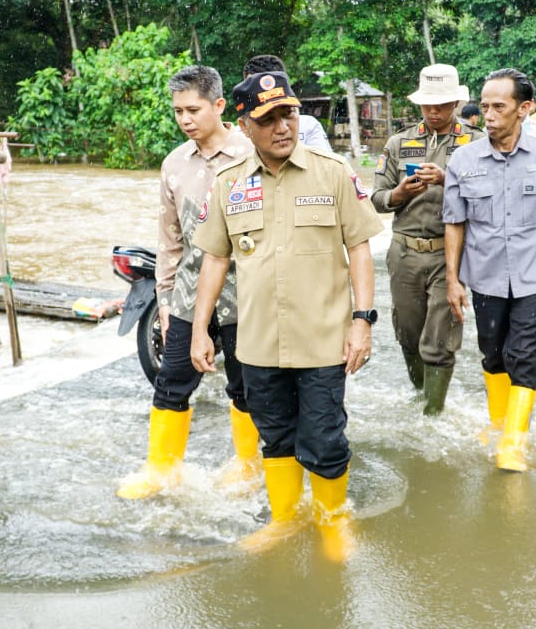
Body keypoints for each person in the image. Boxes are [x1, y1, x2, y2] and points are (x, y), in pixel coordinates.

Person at [190, 70, 382, 561]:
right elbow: (215, 259)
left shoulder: (332, 172)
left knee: (322, 435)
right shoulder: (229, 184)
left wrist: (362, 321)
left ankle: (333, 521)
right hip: (257, 341)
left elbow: (359, 247)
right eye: (268, 117)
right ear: (245, 125)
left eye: (289, 114)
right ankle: (283, 520)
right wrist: (200, 330)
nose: (282, 126)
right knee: (273, 436)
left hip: (323, 338)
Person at [116, 65, 259, 499]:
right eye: (178, 111)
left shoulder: (252, 154)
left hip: (244, 297)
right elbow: (170, 243)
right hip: (187, 296)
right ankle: (161, 469)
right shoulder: (174, 164)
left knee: (245, 384)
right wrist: (163, 300)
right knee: (172, 378)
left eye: (193, 109)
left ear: (218, 106)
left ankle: (248, 465)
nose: (185, 119)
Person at [443, 68, 536, 473]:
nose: (488, 114)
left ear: (524, 108)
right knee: (492, 353)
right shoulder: (463, 159)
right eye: (484, 106)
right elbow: (454, 221)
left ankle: (513, 445)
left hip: (534, 274)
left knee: (523, 356)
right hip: (484, 275)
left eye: (498, 106)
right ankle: (499, 425)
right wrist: (453, 279)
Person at [372, 64, 483, 414]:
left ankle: (433, 413)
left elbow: (490, 196)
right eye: (427, 105)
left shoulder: (476, 143)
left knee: (439, 339)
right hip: (404, 251)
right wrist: (400, 193)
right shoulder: (399, 142)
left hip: (448, 254)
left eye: (442, 105)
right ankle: (421, 393)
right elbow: (376, 198)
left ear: (455, 102)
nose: (434, 112)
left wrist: (449, 179)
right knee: (407, 332)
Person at [242, 54, 332, 151]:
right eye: (253, 85)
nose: (281, 129)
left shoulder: (308, 126)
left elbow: (324, 163)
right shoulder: (239, 135)